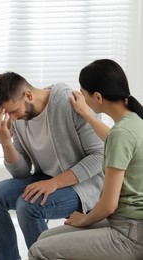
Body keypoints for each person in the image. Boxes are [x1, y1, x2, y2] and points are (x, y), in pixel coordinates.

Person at [0, 71, 105, 260]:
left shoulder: (68, 102)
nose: (12, 118)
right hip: (47, 178)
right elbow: (21, 173)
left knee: (28, 206)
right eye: (8, 114)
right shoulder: (18, 119)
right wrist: (6, 142)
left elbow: (100, 155)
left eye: (14, 111)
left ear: (28, 95)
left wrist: (55, 182)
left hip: (84, 184)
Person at [28, 59, 143, 260]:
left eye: (83, 92)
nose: (80, 96)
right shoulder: (134, 122)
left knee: (38, 251)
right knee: (44, 237)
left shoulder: (121, 134)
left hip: (129, 233)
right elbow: (113, 139)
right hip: (128, 224)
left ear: (97, 96)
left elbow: (108, 204)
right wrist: (86, 113)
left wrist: (85, 220)